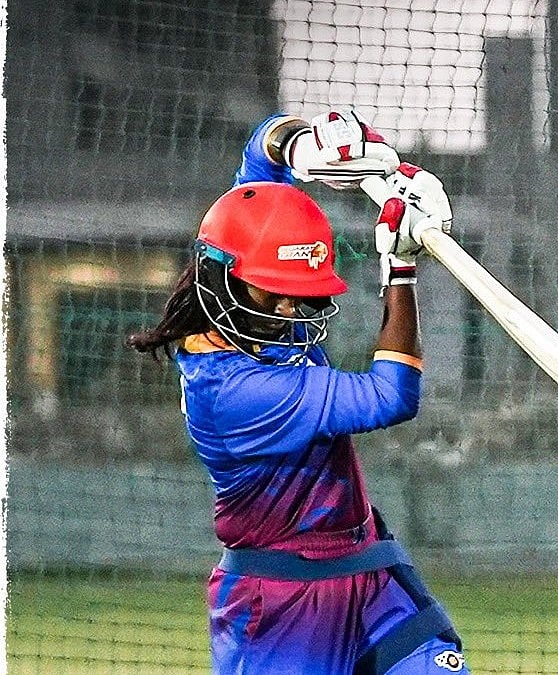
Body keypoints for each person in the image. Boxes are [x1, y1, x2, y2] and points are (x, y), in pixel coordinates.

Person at [128, 109, 468, 675]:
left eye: (302, 293)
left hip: (367, 574)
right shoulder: (234, 391)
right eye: (279, 294)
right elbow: (392, 396)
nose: (292, 308)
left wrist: (305, 146)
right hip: (280, 605)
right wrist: (401, 267)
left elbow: (260, 164)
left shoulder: (245, 269)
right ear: (224, 280)